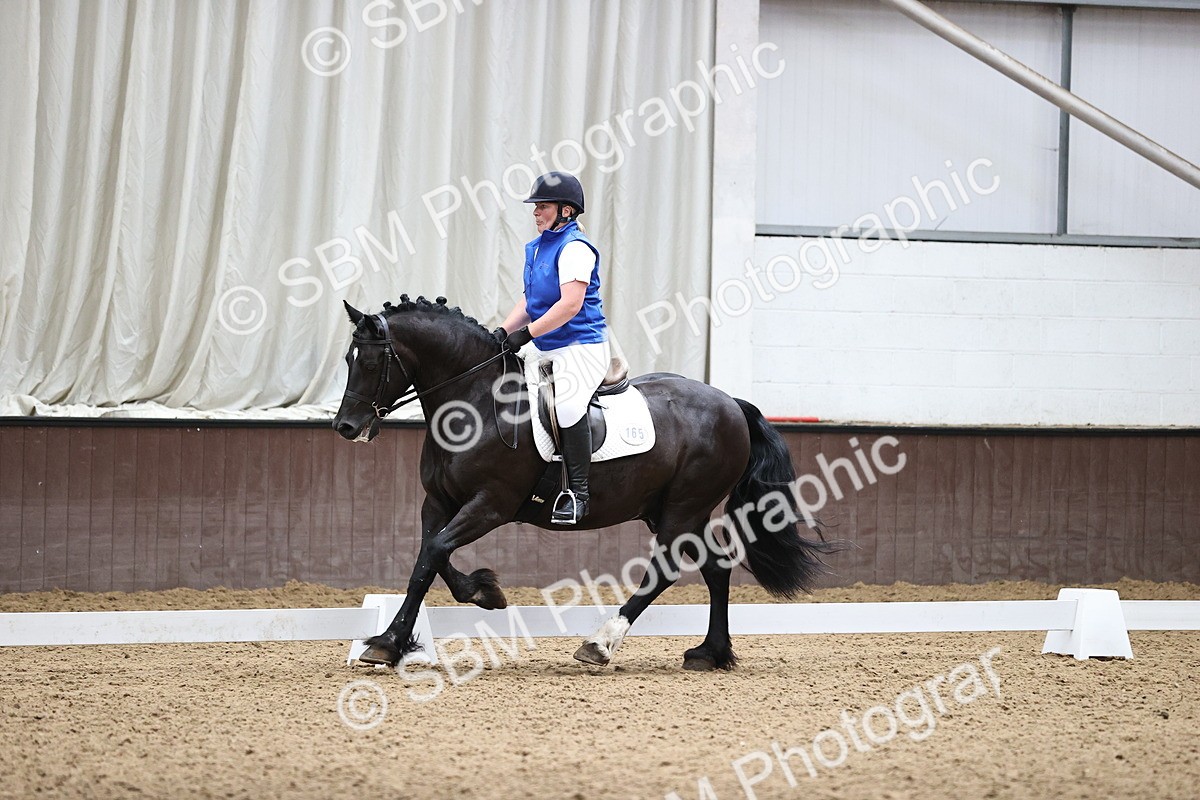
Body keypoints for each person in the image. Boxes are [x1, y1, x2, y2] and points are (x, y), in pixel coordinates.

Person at [494, 172, 610, 525]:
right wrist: (501, 331)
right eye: (536, 207)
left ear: (566, 211)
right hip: (545, 344)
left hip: (581, 346)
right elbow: (532, 300)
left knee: (568, 404)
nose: (535, 212)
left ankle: (577, 494)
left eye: (542, 206)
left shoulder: (575, 248)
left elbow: (569, 305)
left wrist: (525, 334)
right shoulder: (537, 247)